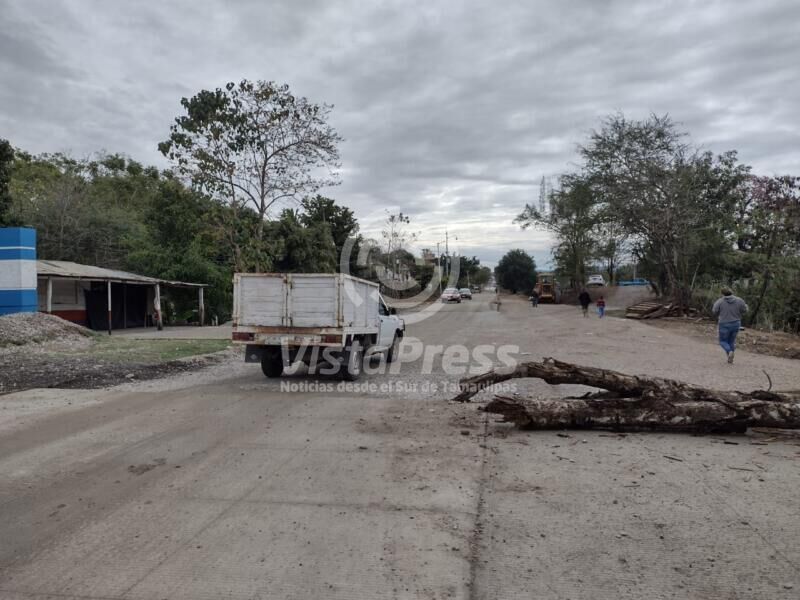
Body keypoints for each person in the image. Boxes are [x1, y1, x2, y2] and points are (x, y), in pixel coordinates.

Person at [712, 286, 748, 364]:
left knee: (723, 341)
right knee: (731, 341)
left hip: (724, 323)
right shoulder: (739, 300)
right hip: (736, 323)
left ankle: (729, 351)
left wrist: (720, 313)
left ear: (722, 293)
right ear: (732, 292)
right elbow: (745, 310)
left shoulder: (720, 301)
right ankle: (730, 357)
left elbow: (714, 311)